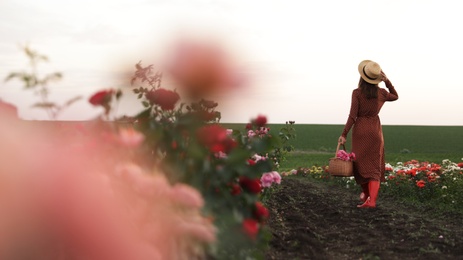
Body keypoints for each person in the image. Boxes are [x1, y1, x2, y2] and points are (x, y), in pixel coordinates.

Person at [338, 60, 398, 208]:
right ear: (376, 78)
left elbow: (352, 116)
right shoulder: (382, 93)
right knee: (374, 167)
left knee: (360, 165)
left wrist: (344, 133)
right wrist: (387, 81)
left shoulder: (357, 93)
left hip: (360, 131)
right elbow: (395, 96)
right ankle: (371, 201)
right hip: (375, 132)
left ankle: (367, 197)